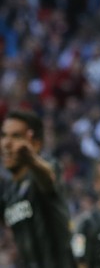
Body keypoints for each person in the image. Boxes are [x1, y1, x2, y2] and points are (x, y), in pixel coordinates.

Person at [0, 109, 77, 268]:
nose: (6, 143)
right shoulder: (7, 191)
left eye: (16, 136)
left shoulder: (48, 168)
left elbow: (48, 179)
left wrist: (31, 160)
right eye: (3, 135)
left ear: (35, 144)